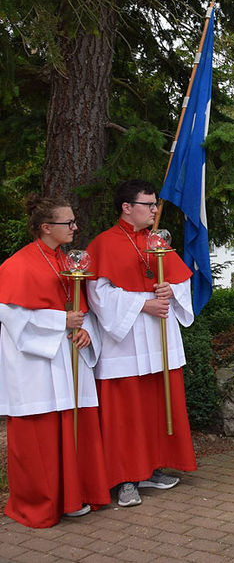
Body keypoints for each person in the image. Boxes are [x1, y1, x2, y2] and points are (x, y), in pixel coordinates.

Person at [0, 196, 110, 527]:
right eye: (69, 223)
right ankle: (39, 503)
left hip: (67, 355)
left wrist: (85, 331)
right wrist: (60, 323)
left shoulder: (68, 262)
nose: (76, 227)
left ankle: (74, 495)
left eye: (74, 221)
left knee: (74, 426)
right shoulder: (16, 265)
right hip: (34, 364)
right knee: (41, 437)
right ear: (46, 228)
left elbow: (78, 307)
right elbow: (12, 316)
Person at [86, 179, 197, 508]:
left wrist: (170, 292)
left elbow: (179, 283)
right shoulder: (104, 244)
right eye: (148, 205)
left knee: (154, 407)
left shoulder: (157, 242)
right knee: (125, 413)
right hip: (126, 343)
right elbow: (98, 295)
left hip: (157, 339)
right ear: (126, 207)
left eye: (154, 205)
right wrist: (143, 304)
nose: (154, 210)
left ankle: (150, 468)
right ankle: (124, 479)